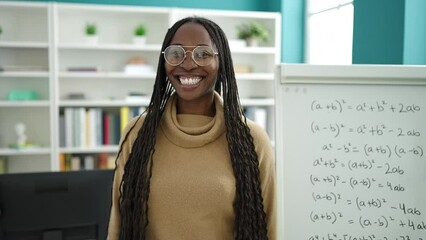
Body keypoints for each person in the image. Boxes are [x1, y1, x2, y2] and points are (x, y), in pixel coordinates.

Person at [107, 16, 276, 240]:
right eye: (176, 53)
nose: (187, 64)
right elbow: (118, 227)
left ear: (221, 61)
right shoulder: (138, 133)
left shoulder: (252, 139)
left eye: (203, 53)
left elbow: (270, 228)